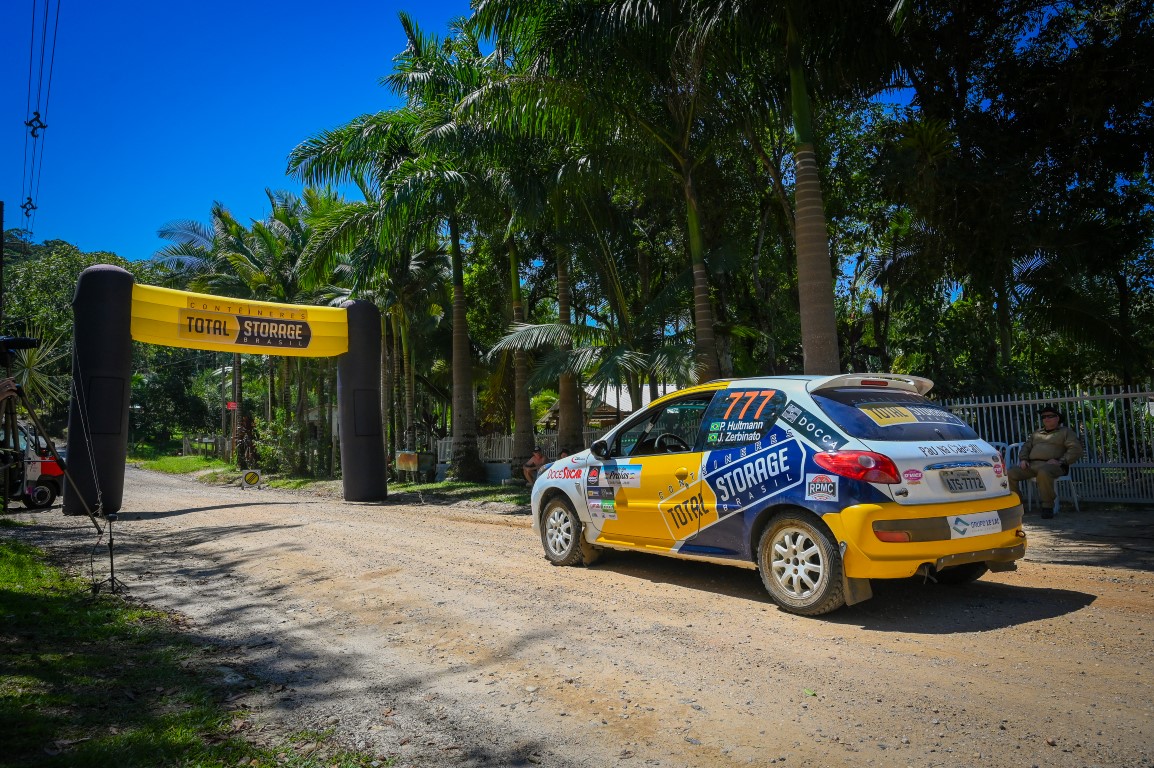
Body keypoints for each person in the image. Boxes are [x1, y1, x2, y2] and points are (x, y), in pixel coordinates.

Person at [1008, 405, 1083, 518]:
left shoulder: (1065, 432)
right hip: (1032, 465)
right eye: (1043, 417)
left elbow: (1076, 449)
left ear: (1057, 418)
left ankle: (1047, 506)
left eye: (1050, 416)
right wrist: (1023, 459)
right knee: (1010, 473)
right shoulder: (1037, 433)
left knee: (1044, 472)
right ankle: (1017, 505)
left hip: (1054, 466)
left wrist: (1061, 460)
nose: (1046, 419)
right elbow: (1026, 447)